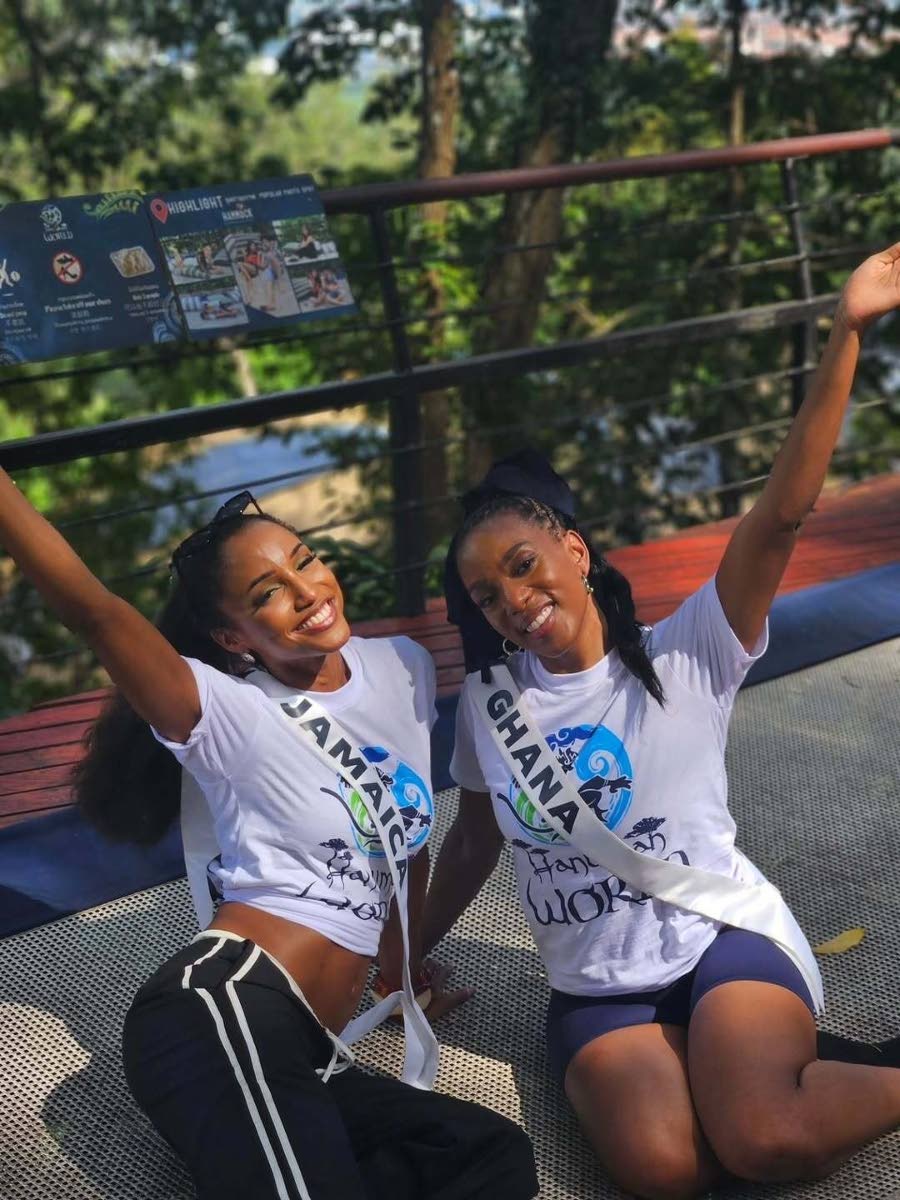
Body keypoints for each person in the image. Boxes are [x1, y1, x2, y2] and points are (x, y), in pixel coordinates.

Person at [423, 241, 900, 1199]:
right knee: (665, 1171)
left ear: (573, 548)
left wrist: (845, 331)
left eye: (522, 565)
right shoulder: (486, 707)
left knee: (766, 1140)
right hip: (599, 987)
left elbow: (781, 516)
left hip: (720, 935)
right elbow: (472, 844)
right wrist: (398, 962)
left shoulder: (691, 651)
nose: (510, 600)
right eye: (483, 594)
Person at [0, 482, 538, 1200]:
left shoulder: (402, 665)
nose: (305, 590)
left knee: (491, 1155)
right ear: (231, 638)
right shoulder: (225, 711)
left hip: (311, 1055)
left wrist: (399, 977)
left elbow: (403, 849)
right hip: (220, 1010)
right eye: (265, 595)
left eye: (305, 560)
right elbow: (96, 613)